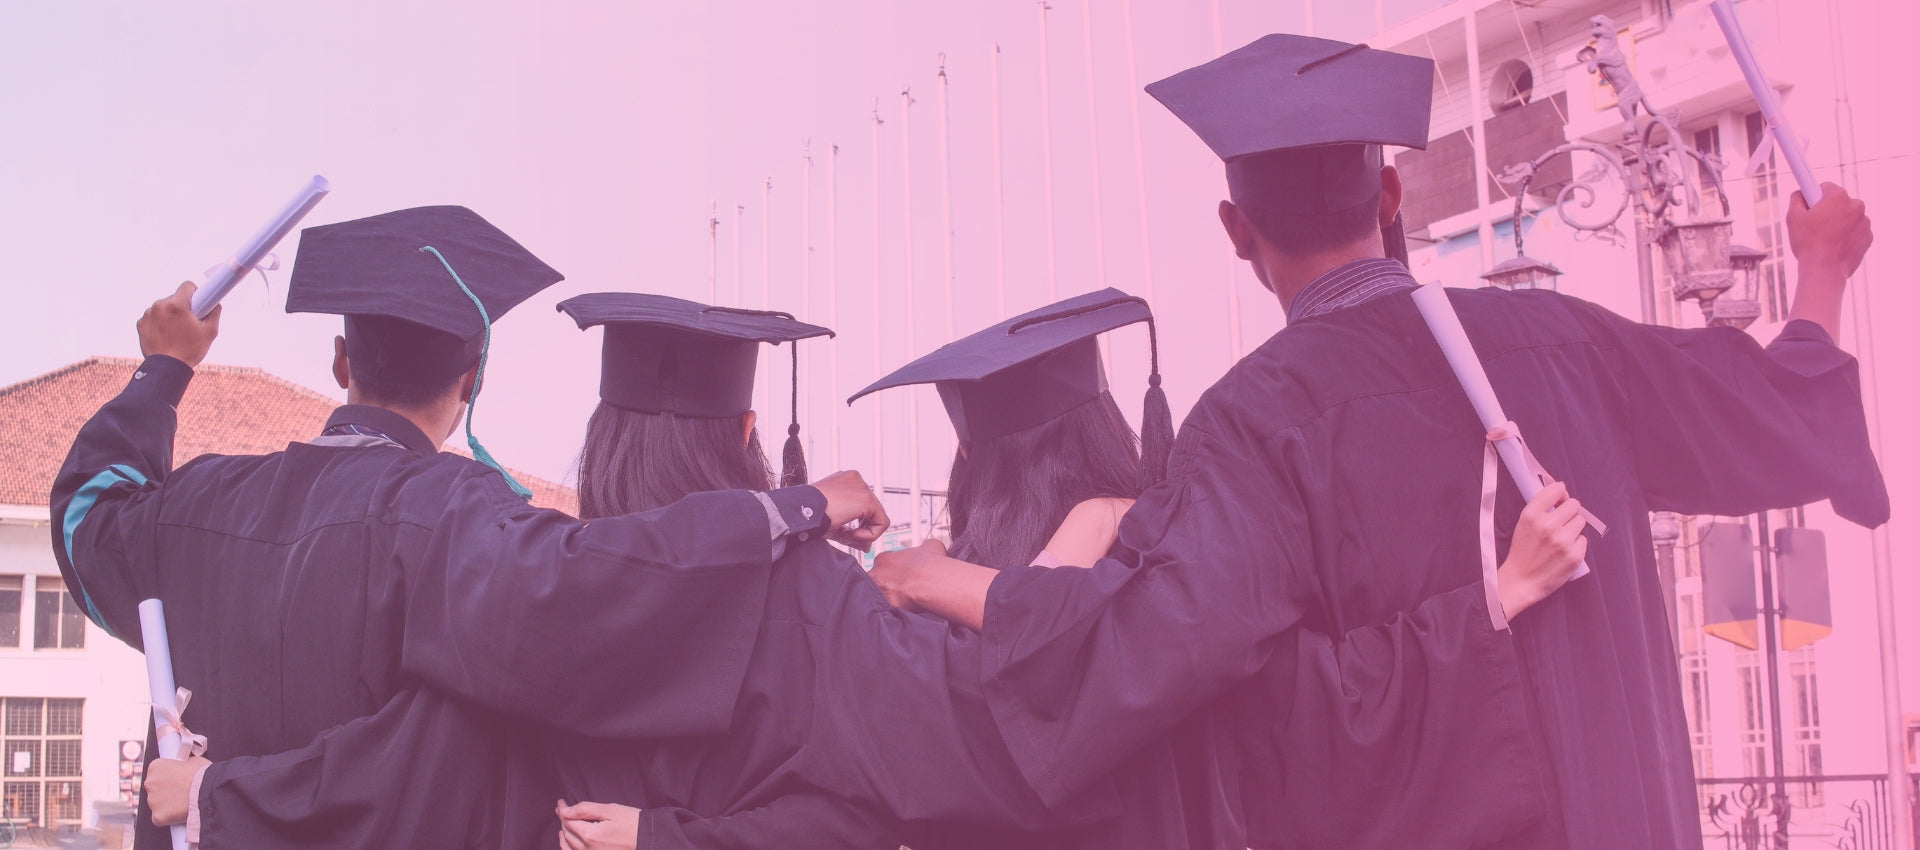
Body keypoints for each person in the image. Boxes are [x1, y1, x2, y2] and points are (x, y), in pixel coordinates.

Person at [871, 34, 1886, 850]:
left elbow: (1145, 646)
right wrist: (1823, 266)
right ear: (1391, 200)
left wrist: (941, 579)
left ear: (1235, 230)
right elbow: (1781, 413)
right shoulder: (1567, 341)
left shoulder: (1251, 425)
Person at [52, 206, 888, 850]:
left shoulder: (194, 504)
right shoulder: (458, 518)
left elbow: (88, 514)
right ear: (474, 373)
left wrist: (164, 369)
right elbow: (606, 579)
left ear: (342, 362)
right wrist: (788, 509)